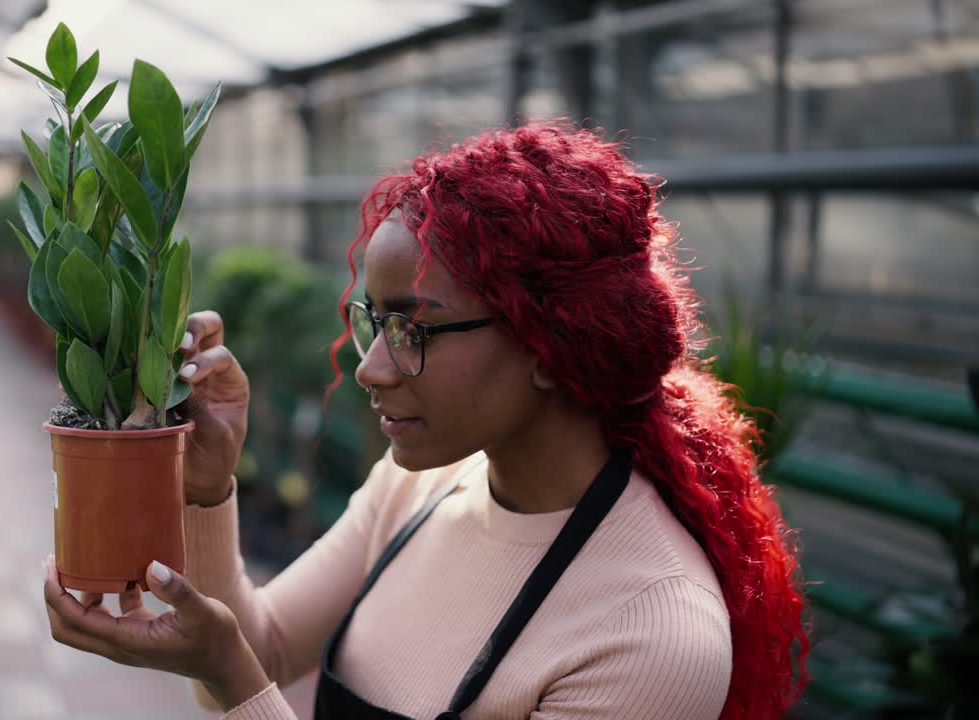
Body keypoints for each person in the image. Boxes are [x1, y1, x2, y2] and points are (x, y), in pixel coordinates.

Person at [42, 121, 810, 719]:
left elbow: (240, 674)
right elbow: (262, 650)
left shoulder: (650, 636)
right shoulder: (427, 485)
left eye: (413, 329)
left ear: (551, 343)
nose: (370, 366)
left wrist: (229, 670)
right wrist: (209, 491)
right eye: (373, 320)